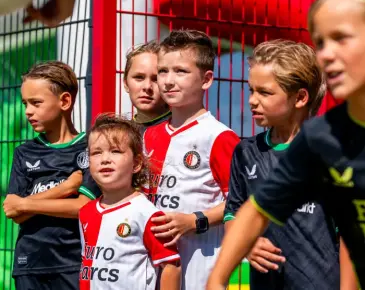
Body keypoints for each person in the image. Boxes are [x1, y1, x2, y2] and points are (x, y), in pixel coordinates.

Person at [206, 0, 365, 289]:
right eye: (320, 42)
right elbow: (253, 211)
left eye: (341, 38)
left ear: (300, 97)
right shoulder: (319, 139)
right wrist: (217, 278)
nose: (326, 54)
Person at [223, 39, 339, 289]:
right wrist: (247, 243)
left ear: (299, 98)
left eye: (264, 92)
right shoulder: (246, 152)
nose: (252, 100)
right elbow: (232, 213)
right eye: (251, 90)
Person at [143, 29, 240, 290]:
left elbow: (240, 202)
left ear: (206, 80)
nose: (168, 81)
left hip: (199, 267)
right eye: (163, 71)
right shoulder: (148, 136)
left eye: (181, 71)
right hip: (150, 268)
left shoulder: (219, 137)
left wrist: (195, 220)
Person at [2, 61, 101, 290]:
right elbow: (13, 211)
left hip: (73, 264)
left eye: (36, 103)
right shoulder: (24, 153)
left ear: (64, 101)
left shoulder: (90, 147)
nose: (28, 111)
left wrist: (27, 204)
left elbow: (83, 208)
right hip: (29, 264)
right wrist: (65, 189)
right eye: (25, 103)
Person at [79, 113, 181, 290]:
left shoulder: (146, 213)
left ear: (136, 164)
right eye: (96, 152)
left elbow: (171, 267)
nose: (105, 159)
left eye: (115, 151)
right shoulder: (85, 212)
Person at [124, 40, 171, 131]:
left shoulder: (182, 132)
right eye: (139, 77)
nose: (147, 87)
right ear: (126, 83)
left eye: (156, 79)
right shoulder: (119, 134)